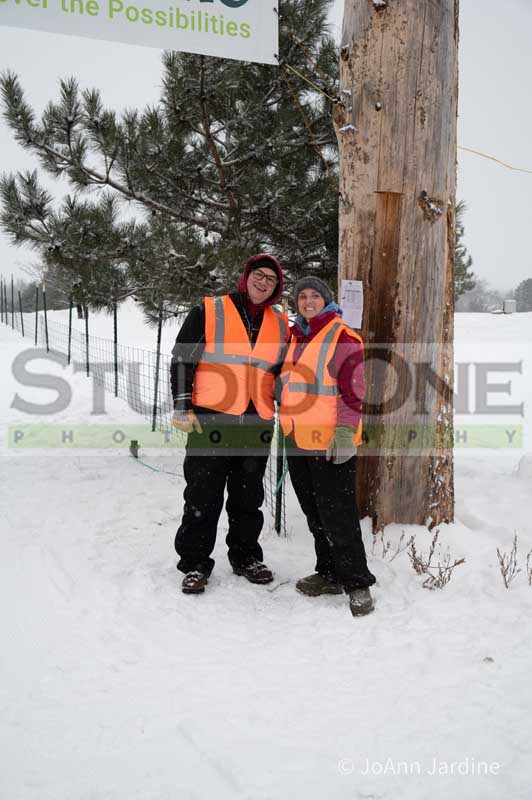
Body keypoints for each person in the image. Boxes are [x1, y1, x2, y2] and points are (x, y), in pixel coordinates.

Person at [170, 255, 289, 594]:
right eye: (259, 275)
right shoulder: (209, 310)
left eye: (271, 279)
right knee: (202, 495)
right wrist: (182, 404)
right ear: (246, 276)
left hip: (256, 421)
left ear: (277, 288)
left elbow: (285, 369)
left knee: (248, 497)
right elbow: (182, 357)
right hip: (211, 418)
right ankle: (194, 563)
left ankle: (246, 556)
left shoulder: (280, 323)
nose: (264, 282)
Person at [279, 276, 376, 616]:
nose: (308, 301)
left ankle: (357, 582)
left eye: (314, 296)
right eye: (302, 296)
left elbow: (355, 389)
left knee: (339, 514)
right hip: (296, 438)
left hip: (331, 441)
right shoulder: (298, 336)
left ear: (327, 300)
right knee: (315, 513)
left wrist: (347, 432)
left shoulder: (341, 336)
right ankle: (329, 572)